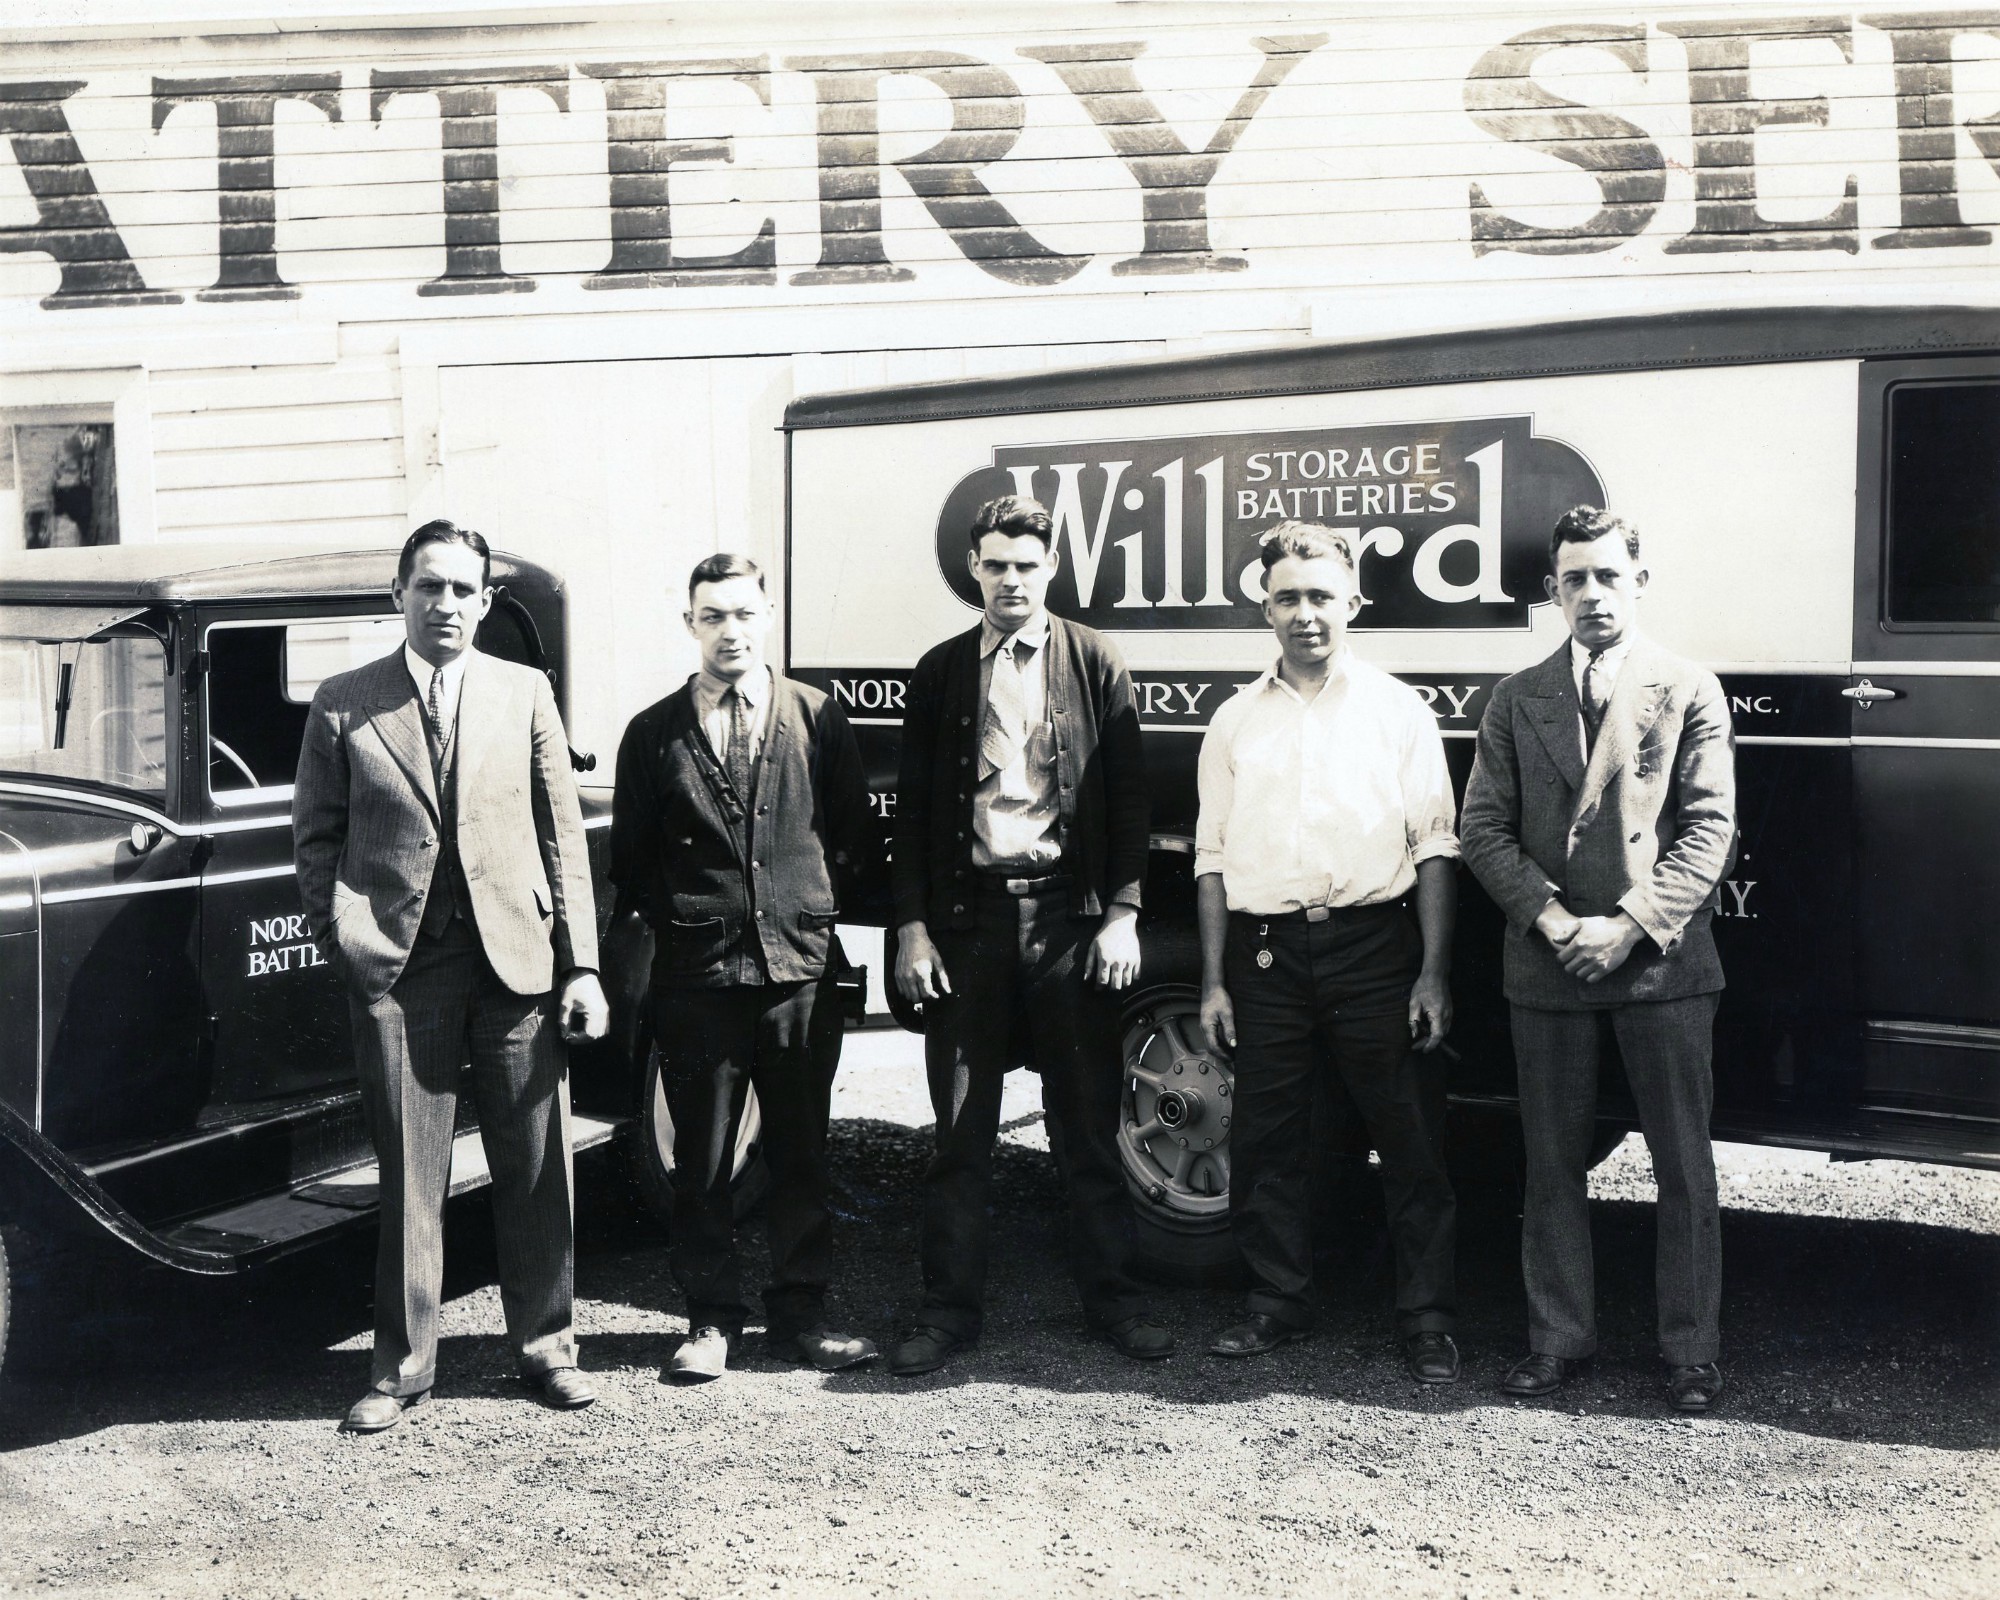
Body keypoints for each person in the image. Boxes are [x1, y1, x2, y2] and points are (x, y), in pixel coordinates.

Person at [294, 519, 609, 1434]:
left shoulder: (524, 693)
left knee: (537, 1162)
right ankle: (400, 1370)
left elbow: (564, 840)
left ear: (484, 601)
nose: (446, 605)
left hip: (515, 963)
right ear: (398, 595)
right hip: (400, 971)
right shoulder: (345, 703)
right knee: (410, 1173)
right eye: (429, 586)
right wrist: (349, 938)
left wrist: (579, 965)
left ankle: (549, 1348)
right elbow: (316, 841)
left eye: (464, 590)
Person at [1459, 505, 1737, 1414]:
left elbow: (1709, 831)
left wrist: (1625, 923)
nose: (1591, 594)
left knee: (1683, 1164)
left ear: (1638, 583)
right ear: (1553, 593)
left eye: (1608, 575)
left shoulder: (1688, 688)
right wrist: (1551, 920)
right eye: (1574, 579)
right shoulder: (1516, 697)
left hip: (1658, 964)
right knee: (1550, 1162)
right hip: (1550, 966)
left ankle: (1691, 1351)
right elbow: (1483, 831)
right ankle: (1558, 1339)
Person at [888, 494, 1166, 1375]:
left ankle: (1116, 1306)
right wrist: (912, 932)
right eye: (996, 564)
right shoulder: (938, 670)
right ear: (974, 568)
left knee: (1084, 1128)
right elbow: (916, 813)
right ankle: (947, 1313)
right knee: (961, 1133)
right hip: (968, 925)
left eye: (1027, 565)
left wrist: (1122, 914)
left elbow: (1130, 801)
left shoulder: (1092, 659)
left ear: (1051, 570)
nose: (1011, 580)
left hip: (1067, 924)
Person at [1194, 522, 1463, 1382]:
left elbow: (1435, 847)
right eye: (1287, 598)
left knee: (1409, 1135)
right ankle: (1277, 1300)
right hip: (1267, 955)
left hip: (1375, 951)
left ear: (1353, 603)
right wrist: (1213, 983)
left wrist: (1432, 971)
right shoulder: (1235, 721)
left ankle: (1424, 1317)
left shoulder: (1397, 709)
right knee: (1269, 1137)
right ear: (1263, 607)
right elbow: (1210, 860)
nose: (1305, 615)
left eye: (1321, 597)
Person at [609, 553, 876, 1380]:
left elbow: (852, 841)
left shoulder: (817, 718)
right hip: (699, 978)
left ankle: (802, 1316)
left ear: (768, 618)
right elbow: (635, 861)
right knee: (703, 1158)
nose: (731, 631)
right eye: (713, 616)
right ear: (689, 623)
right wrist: (700, 920)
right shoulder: (653, 733)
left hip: (799, 971)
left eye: (744, 615)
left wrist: (805, 915)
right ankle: (710, 1321)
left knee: (802, 1153)